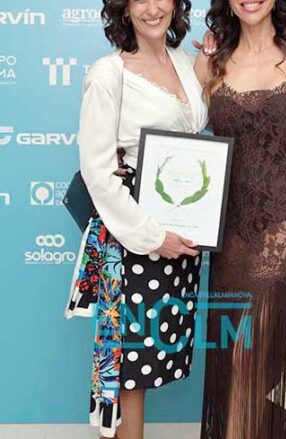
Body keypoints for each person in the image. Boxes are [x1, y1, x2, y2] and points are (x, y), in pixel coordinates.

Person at [194, 0, 286, 437]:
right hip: (229, 239)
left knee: (254, 360)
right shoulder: (208, 65)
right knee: (233, 363)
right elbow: (185, 145)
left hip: (285, 232)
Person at [74, 0, 208, 438]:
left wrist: (212, 60)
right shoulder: (108, 75)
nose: (153, 8)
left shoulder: (185, 62)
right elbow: (98, 173)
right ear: (124, 9)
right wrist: (151, 237)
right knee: (127, 366)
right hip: (134, 233)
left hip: (180, 228)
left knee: (147, 361)